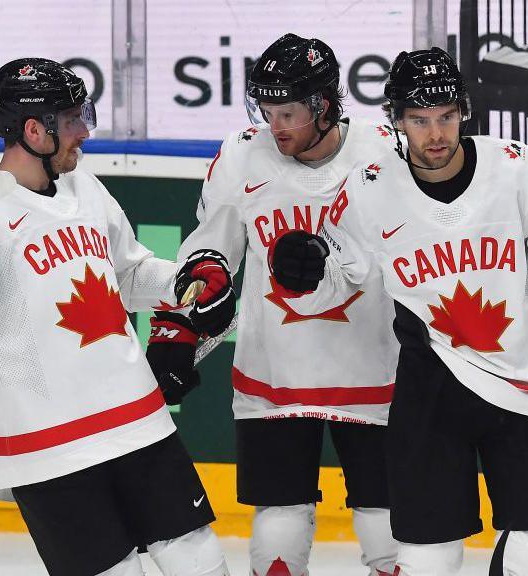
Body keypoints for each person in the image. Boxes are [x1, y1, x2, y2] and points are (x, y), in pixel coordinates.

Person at [268, 47, 528, 575]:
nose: (435, 135)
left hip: (523, 390)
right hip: (431, 392)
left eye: (446, 118)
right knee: (427, 554)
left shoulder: (515, 167)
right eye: (419, 120)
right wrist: (303, 277)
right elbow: (337, 282)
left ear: (464, 113)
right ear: (396, 121)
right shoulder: (368, 188)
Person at [0, 58, 230, 576]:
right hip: (49, 449)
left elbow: (129, 274)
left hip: (138, 423)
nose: (85, 131)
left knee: (203, 564)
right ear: (33, 130)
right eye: (72, 120)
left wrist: (185, 279)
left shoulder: (84, 187)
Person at [173, 34, 400, 576]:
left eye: (289, 112)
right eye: (267, 110)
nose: (275, 125)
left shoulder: (387, 149)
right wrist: (199, 282)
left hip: (375, 366)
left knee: (385, 519)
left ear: (323, 105)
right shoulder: (240, 153)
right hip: (274, 370)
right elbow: (214, 245)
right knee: (278, 520)